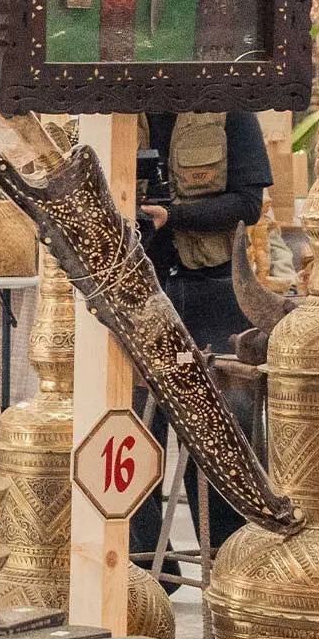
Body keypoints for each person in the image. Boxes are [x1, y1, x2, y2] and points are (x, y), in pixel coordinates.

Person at [131, 109, 274, 571]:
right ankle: (147, 574)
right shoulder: (120, 112)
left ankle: (233, 565)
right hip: (140, 292)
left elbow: (248, 205)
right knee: (136, 434)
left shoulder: (231, 111)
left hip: (213, 291)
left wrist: (171, 216)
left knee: (221, 435)